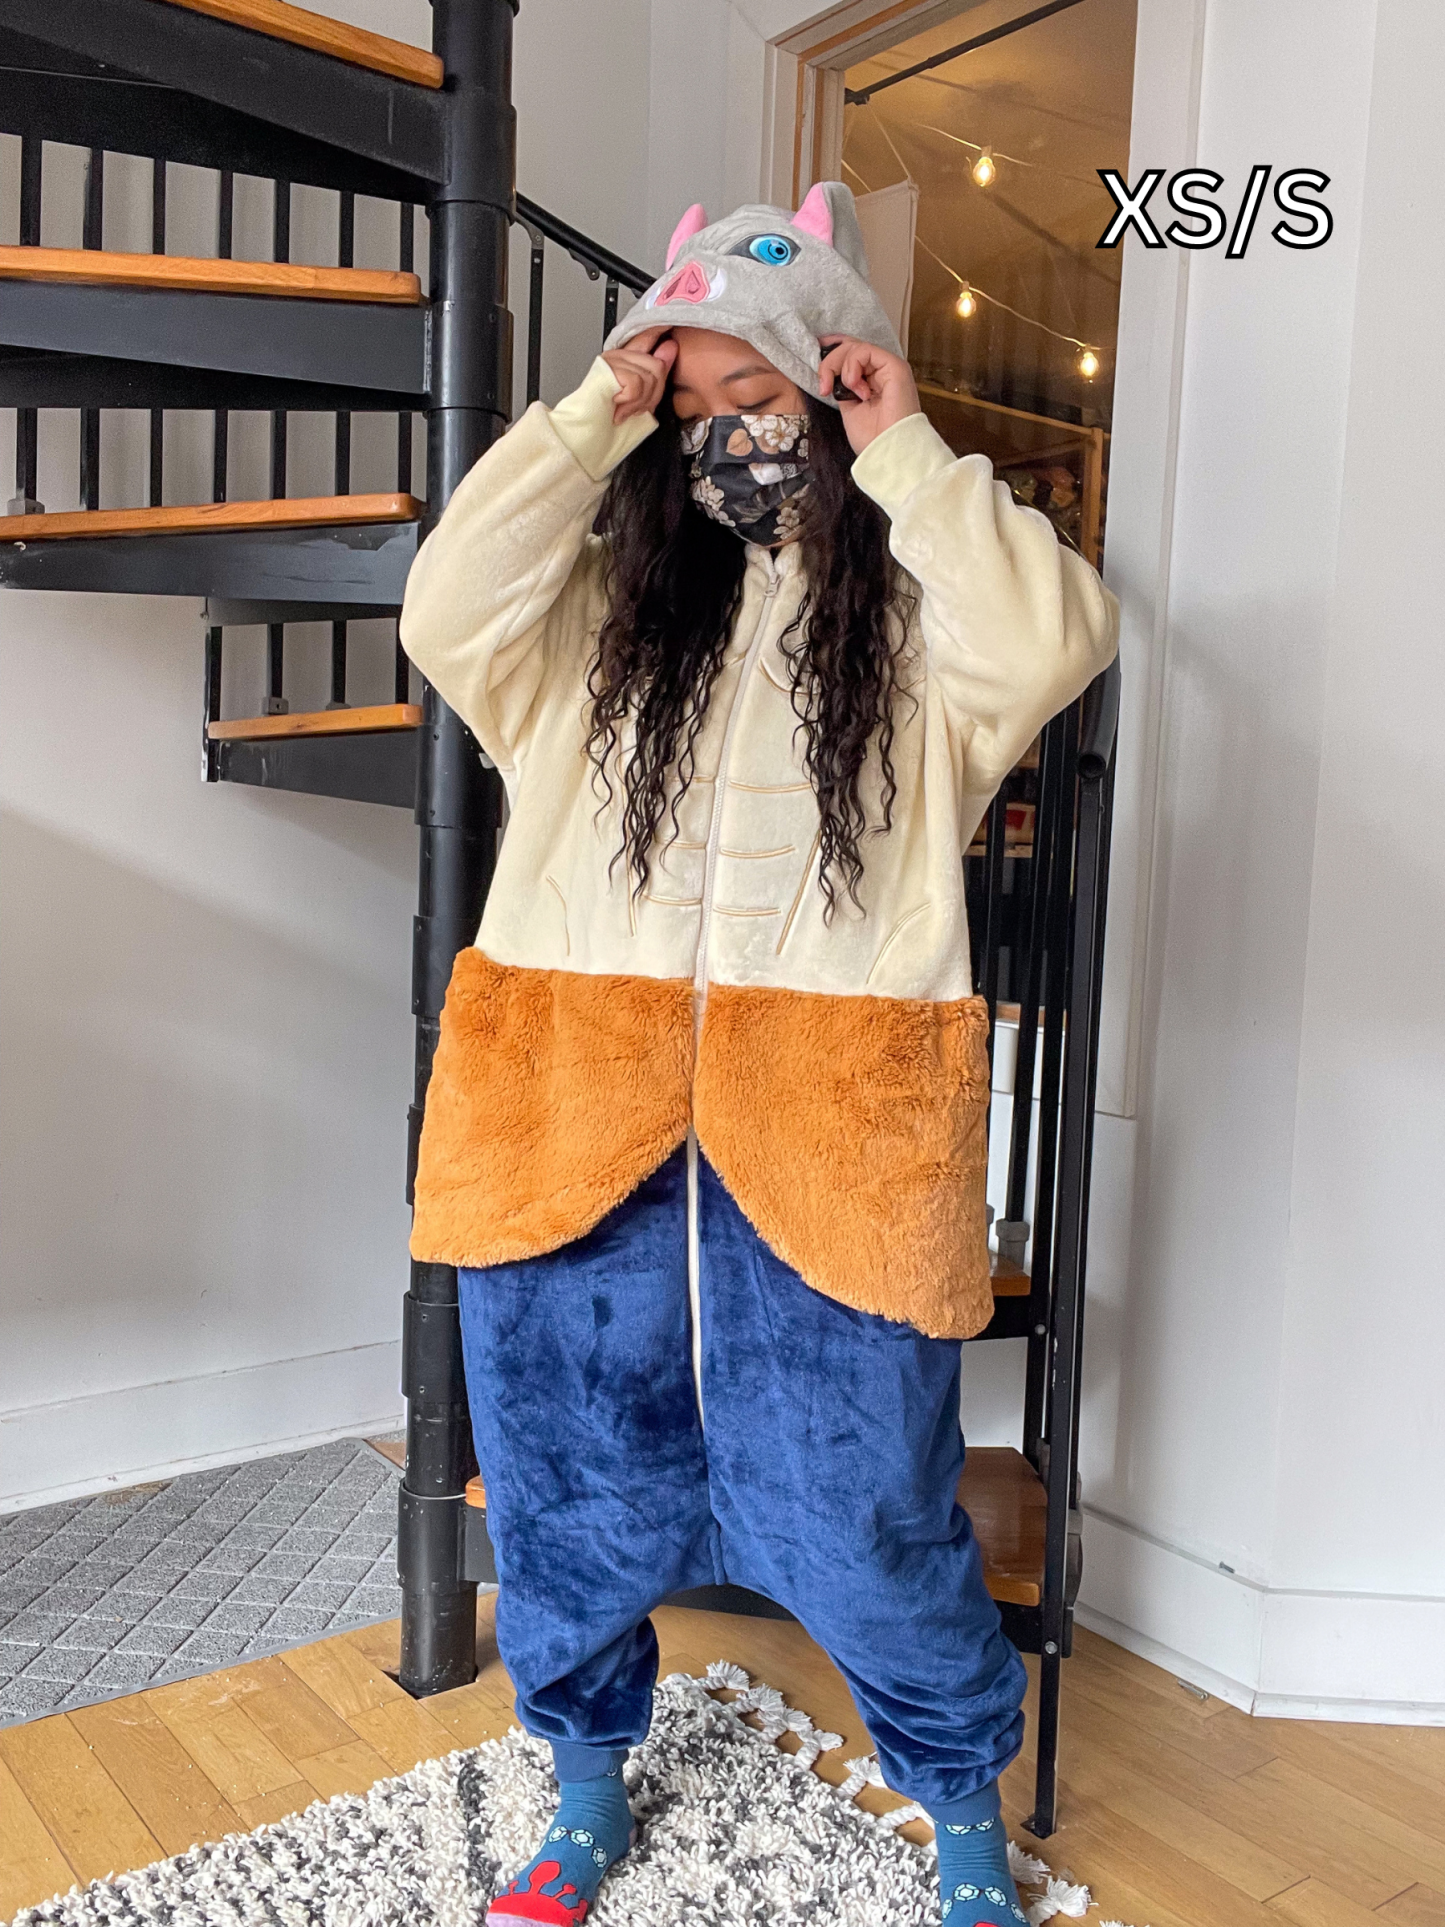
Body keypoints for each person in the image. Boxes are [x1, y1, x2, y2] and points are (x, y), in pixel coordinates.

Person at [399, 182, 1119, 1927]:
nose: (726, 433)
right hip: (574, 1113)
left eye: (763, 395)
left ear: (832, 389)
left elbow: (1061, 635)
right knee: (566, 1489)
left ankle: (961, 1813)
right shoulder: (587, 622)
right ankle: (585, 1789)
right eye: (692, 400)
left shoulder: (920, 638)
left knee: (870, 1509)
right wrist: (598, 409)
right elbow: (442, 604)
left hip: (834, 1132)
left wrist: (907, 447)